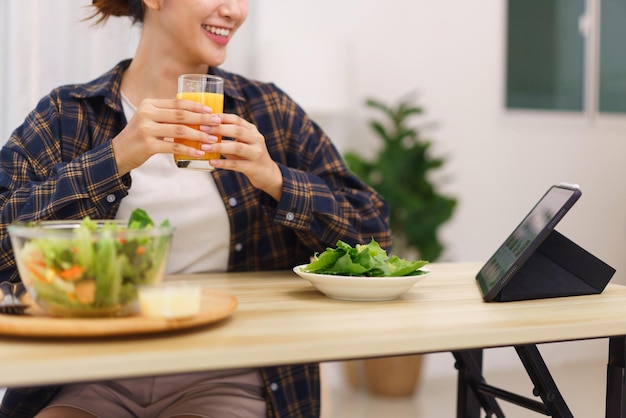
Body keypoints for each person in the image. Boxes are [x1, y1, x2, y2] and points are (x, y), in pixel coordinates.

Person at [0, 0, 392, 417]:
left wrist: (276, 180)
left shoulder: (268, 111)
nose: (235, 10)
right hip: (93, 368)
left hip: (222, 370)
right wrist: (112, 160)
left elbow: (373, 235)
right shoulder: (68, 113)